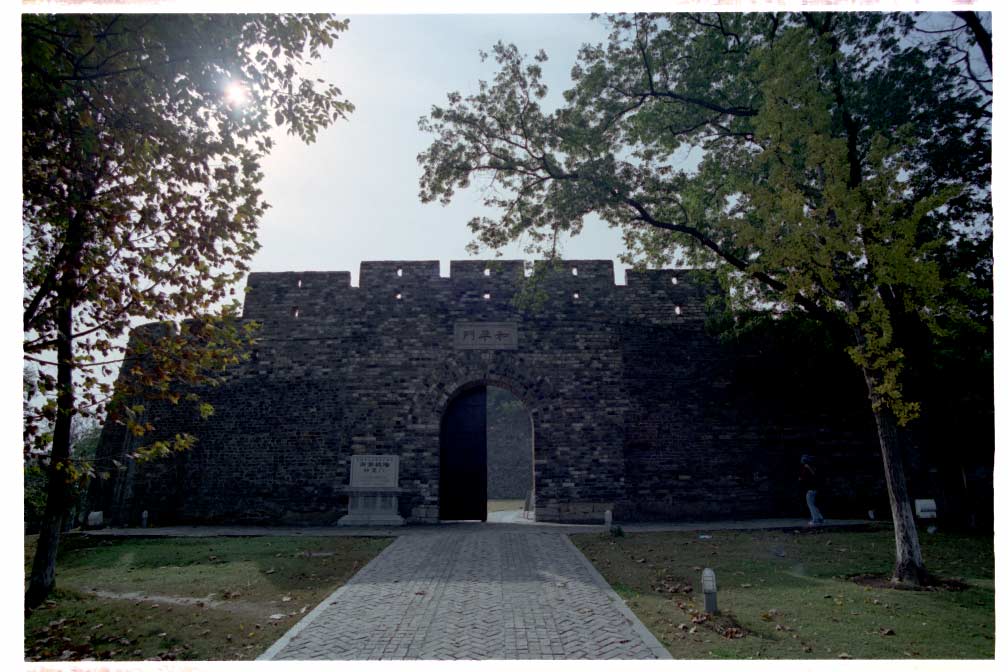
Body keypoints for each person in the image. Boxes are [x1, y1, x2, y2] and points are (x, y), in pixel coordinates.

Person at [799, 454, 825, 526]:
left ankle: (815, 520)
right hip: (814, 489)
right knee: (813, 504)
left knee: (811, 505)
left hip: (811, 489)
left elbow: (807, 477)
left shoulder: (808, 468)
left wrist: (801, 478)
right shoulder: (812, 467)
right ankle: (820, 518)